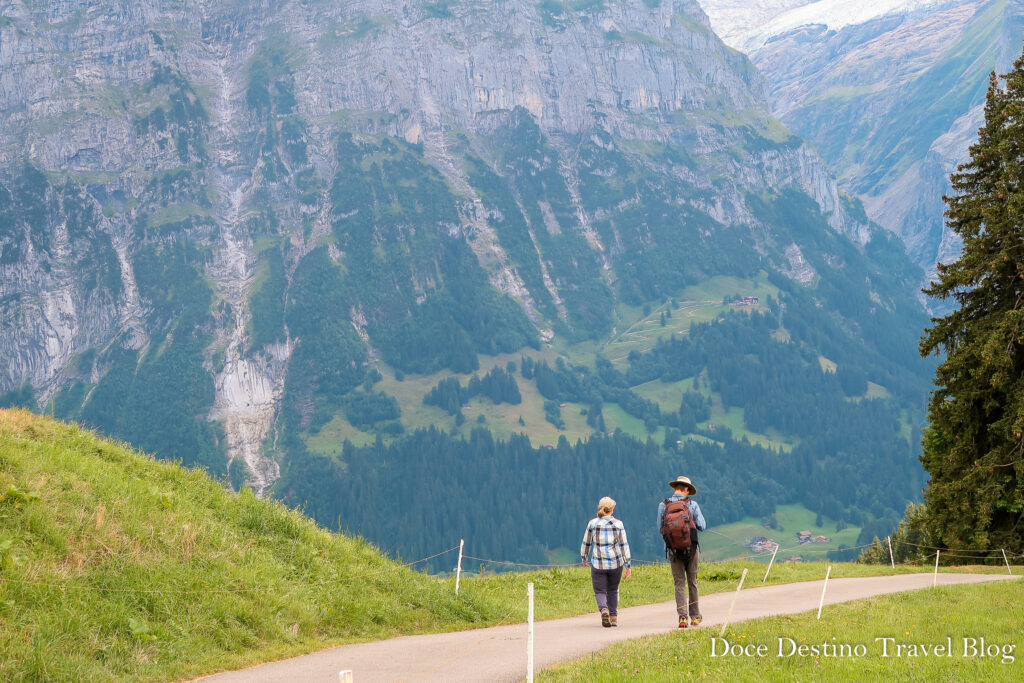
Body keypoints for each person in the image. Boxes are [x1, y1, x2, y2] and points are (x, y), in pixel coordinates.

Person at [657, 476, 706, 628]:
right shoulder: (692, 504)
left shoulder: (663, 505)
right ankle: (695, 617)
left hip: (674, 550)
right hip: (692, 550)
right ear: (686, 489)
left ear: (675, 488)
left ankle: (682, 618)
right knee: (693, 583)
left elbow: (660, 528)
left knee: (679, 583)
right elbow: (702, 525)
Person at [580, 496, 631, 627]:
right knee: (613, 589)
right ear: (612, 509)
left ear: (600, 507)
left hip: (598, 563)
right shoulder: (618, 524)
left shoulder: (593, 523)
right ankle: (613, 617)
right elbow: (624, 545)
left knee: (600, 591)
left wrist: (584, 558)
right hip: (616, 564)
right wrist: (628, 564)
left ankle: (604, 609)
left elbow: (586, 543)